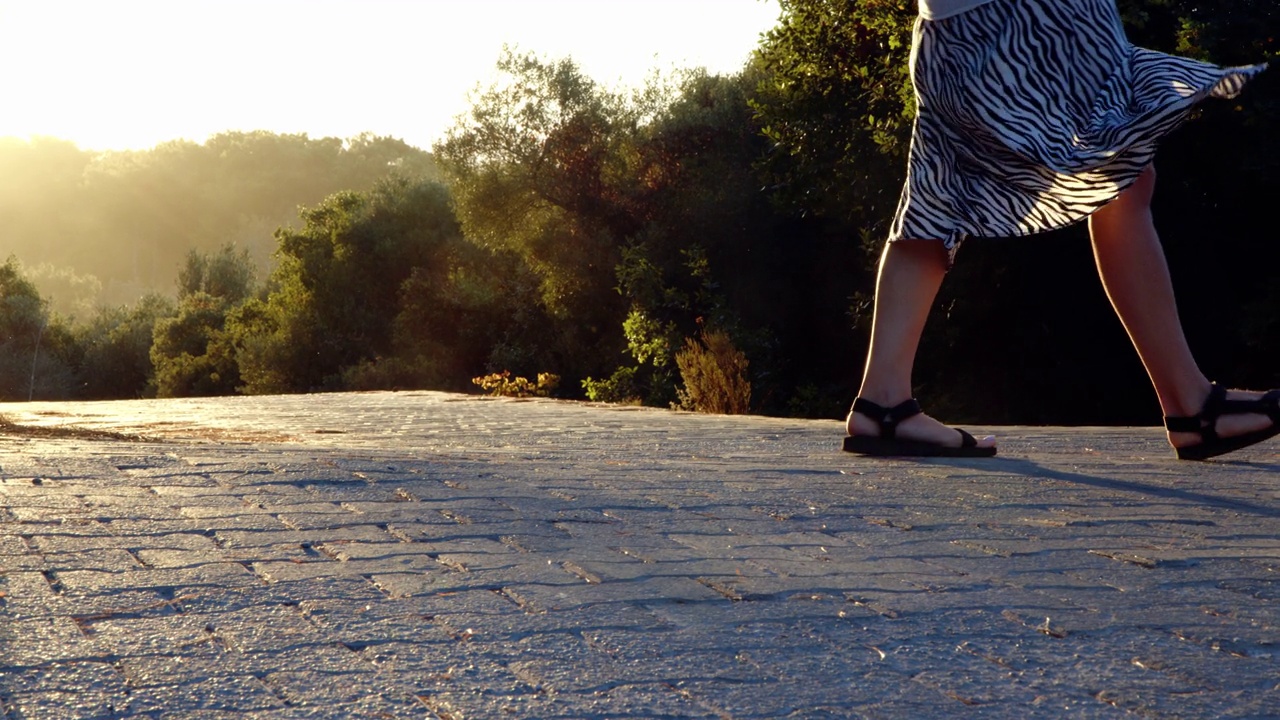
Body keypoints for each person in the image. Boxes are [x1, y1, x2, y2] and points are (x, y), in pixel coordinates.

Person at [843, 0, 1279, 460]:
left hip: (951, 30)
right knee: (1121, 166)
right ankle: (1192, 407)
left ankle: (883, 401)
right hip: (1027, 16)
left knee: (938, 194)